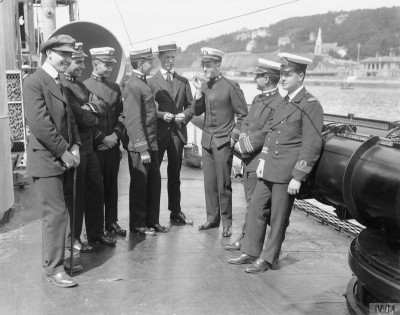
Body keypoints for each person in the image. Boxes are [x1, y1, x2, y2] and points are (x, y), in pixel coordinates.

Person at [228, 53, 324, 273]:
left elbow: (312, 144)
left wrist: (298, 177)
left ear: (300, 76)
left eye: (288, 74)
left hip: (287, 172)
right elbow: (271, 134)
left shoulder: (310, 104)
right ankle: (251, 250)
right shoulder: (284, 102)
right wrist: (262, 160)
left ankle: (268, 258)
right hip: (269, 167)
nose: (283, 78)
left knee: (278, 217)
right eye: (281, 74)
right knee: (256, 208)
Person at [23, 34, 80, 287]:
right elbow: (40, 124)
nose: (68, 59)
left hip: (63, 158)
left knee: (62, 213)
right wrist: (64, 152)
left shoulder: (59, 83)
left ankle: (61, 260)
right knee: (55, 214)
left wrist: (76, 144)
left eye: (70, 55)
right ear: (49, 53)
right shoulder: (34, 82)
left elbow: (71, 120)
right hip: (46, 160)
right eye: (64, 54)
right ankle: (53, 268)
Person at [61, 43, 116, 249]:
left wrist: (89, 110)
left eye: (83, 61)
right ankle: (74, 238)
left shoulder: (81, 86)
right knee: (76, 196)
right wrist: (90, 112)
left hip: (89, 148)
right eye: (78, 61)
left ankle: (95, 233)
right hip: (76, 148)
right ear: (66, 62)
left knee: (96, 190)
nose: (82, 65)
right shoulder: (64, 87)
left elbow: (100, 106)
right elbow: (80, 117)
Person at [225, 58, 282, 251]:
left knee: (254, 205)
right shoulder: (259, 99)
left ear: (266, 79)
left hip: (259, 160)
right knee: (250, 202)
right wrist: (240, 140)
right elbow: (247, 122)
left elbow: (267, 131)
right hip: (248, 159)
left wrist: (244, 146)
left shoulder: (278, 103)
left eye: (258, 75)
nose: (255, 78)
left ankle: (247, 241)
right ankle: (245, 238)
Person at [192, 47, 248, 237]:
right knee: (209, 183)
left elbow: (243, 116)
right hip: (207, 141)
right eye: (203, 65)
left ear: (218, 64)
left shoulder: (231, 86)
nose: (205, 69)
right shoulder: (205, 86)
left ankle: (226, 222)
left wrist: (234, 138)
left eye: (208, 65)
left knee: (223, 183)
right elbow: (197, 112)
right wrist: (198, 93)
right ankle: (212, 219)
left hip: (224, 141)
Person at [148, 42, 194, 225]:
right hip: (159, 133)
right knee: (154, 175)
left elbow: (192, 105)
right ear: (160, 58)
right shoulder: (151, 82)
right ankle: (151, 215)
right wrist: (160, 115)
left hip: (177, 134)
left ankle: (176, 211)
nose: (170, 61)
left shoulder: (183, 81)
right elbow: (148, 107)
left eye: (172, 57)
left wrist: (185, 116)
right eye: (166, 58)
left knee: (175, 175)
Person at [123, 48, 168, 235]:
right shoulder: (134, 85)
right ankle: (138, 223)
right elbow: (133, 119)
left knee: (154, 183)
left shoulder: (143, 84)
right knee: (140, 185)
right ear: (141, 64)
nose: (153, 64)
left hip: (152, 144)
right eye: (150, 61)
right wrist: (142, 149)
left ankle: (152, 220)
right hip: (141, 146)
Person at [84, 47, 126, 237]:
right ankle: (94, 227)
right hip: (95, 147)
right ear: (95, 64)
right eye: (106, 64)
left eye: (111, 64)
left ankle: (111, 221)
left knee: (111, 185)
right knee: (94, 189)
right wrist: (102, 138)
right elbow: (84, 120)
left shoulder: (115, 88)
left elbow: (121, 114)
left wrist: (115, 137)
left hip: (112, 146)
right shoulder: (84, 87)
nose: (109, 68)